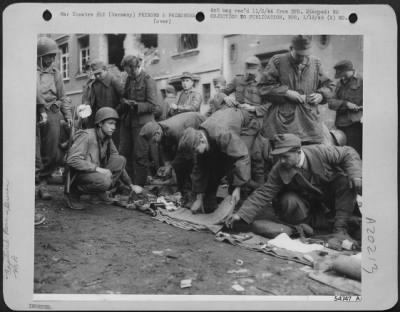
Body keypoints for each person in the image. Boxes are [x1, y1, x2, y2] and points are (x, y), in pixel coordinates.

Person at [226, 133, 362, 246]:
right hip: (307, 202)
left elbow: (348, 152)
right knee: (289, 201)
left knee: (345, 182)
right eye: (279, 157)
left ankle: (340, 229)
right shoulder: (279, 168)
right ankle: (310, 227)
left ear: (298, 152)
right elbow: (264, 192)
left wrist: (356, 175)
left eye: (286, 157)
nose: (282, 161)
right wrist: (242, 214)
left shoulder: (321, 152)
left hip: (330, 197)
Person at [260, 35, 335, 144]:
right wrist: (286, 92)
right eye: (299, 55)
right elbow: (263, 88)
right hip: (283, 124)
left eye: (306, 55)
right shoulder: (278, 61)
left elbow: (330, 86)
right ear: (291, 49)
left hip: (310, 124)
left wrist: (321, 95)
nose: (303, 59)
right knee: (286, 154)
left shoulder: (316, 63)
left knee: (311, 154)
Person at [65, 107, 143, 210]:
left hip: (93, 173)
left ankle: (98, 194)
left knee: (120, 160)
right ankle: (74, 193)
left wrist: (130, 184)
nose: (114, 127)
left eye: (114, 124)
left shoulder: (107, 138)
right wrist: (98, 169)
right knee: (105, 180)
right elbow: (72, 160)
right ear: (100, 124)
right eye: (110, 123)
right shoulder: (86, 136)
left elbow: (119, 164)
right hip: (78, 175)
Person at [178, 108, 251, 214]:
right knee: (209, 164)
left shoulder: (222, 134)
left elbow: (242, 157)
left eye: (196, 151)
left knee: (233, 167)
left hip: (246, 123)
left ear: (202, 140)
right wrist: (199, 198)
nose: (196, 154)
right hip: (222, 126)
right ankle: (210, 202)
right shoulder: (199, 139)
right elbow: (199, 169)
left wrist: (238, 188)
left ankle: (239, 210)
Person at [221, 56, 271, 186]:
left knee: (254, 157)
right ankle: (240, 189)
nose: (250, 72)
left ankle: (255, 190)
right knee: (238, 155)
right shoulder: (238, 80)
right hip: (239, 122)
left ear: (258, 69)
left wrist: (254, 108)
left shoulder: (265, 83)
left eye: (253, 70)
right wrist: (225, 97)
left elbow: (270, 105)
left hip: (257, 124)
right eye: (248, 69)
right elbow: (222, 92)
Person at [37, 36, 72, 200]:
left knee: (53, 152)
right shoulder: (31, 71)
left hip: (52, 111)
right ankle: (36, 184)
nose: (51, 60)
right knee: (35, 151)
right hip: (33, 111)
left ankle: (43, 182)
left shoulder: (56, 73)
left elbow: (63, 96)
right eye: (48, 56)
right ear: (39, 56)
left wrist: (68, 115)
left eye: (53, 56)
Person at [140, 112, 206, 196]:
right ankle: (182, 190)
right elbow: (164, 148)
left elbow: (183, 153)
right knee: (179, 164)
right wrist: (167, 164)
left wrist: (171, 165)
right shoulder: (160, 129)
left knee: (191, 162)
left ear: (157, 132)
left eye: (154, 140)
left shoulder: (175, 131)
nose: (155, 143)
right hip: (186, 126)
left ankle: (194, 192)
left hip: (197, 122)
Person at [119, 54, 160, 186]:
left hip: (142, 125)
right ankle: (128, 185)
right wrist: (124, 101)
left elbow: (154, 106)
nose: (127, 74)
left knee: (139, 157)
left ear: (135, 67)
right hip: (128, 122)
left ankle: (139, 187)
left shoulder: (148, 80)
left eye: (128, 70)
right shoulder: (129, 80)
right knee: (124, 154)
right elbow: (124, 96)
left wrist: (137, 105)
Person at [81, 60, 124, 146]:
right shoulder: (94, 85)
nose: (97, 76)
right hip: (100, 122)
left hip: (114, 120)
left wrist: (115, 113)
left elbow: (124, 100)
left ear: (105, 70)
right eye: (95, 74)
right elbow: (92, 104)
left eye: (99, 73)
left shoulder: (114, 81)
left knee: (114, 145)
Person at [328, 60, 363, 158]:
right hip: (340, 125)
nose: (341, 77)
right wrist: (346, 104)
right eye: (340, 75)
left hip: (355, 125)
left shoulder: (362, 81)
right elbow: (331, 103)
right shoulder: (339, 84)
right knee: (341, 155)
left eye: (343, 74)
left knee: (354, 155)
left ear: (350, 70)